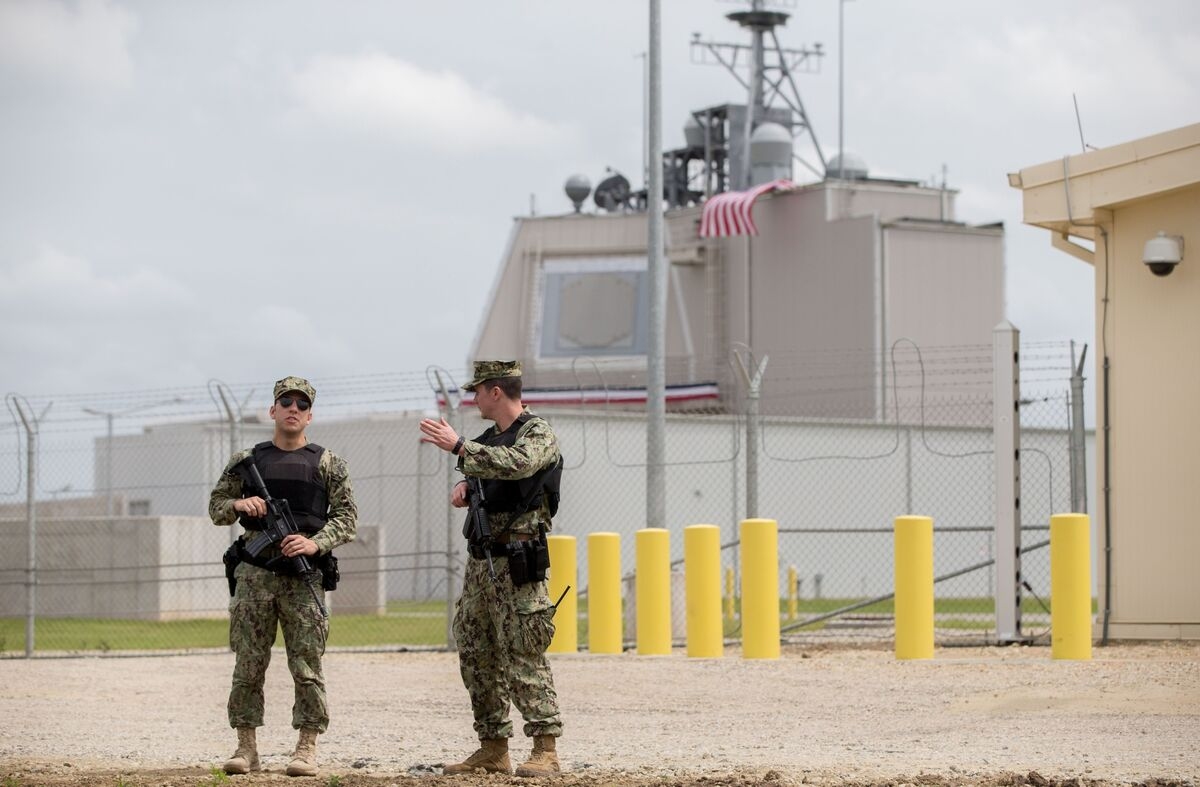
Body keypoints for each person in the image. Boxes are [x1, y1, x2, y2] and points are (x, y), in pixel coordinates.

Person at [419, 360, 564, 777]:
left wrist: (461, 448)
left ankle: (545, 748)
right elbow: (483, 473)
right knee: (475, 647)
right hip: (482, 562)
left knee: (523, 647)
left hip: (518, 559)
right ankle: (493, 747)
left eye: (478, 391)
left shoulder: (537, 432)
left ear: (496, 391)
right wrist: (464, 483)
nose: (474, 399)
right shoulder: (488, 439)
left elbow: (519, 463)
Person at [208, 376, 357, 778]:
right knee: (248, 665)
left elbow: (347, 520)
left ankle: (306, 747)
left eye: (301, 404)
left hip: (302, 579)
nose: (293, 409)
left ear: (310, 415)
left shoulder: (328, 463)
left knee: (307, 666)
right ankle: (246, 747)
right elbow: (216, 507)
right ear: (273, 410)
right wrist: (241, 502)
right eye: (285, 402)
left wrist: (315, 544)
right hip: (256, 576)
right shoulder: (248, 460)